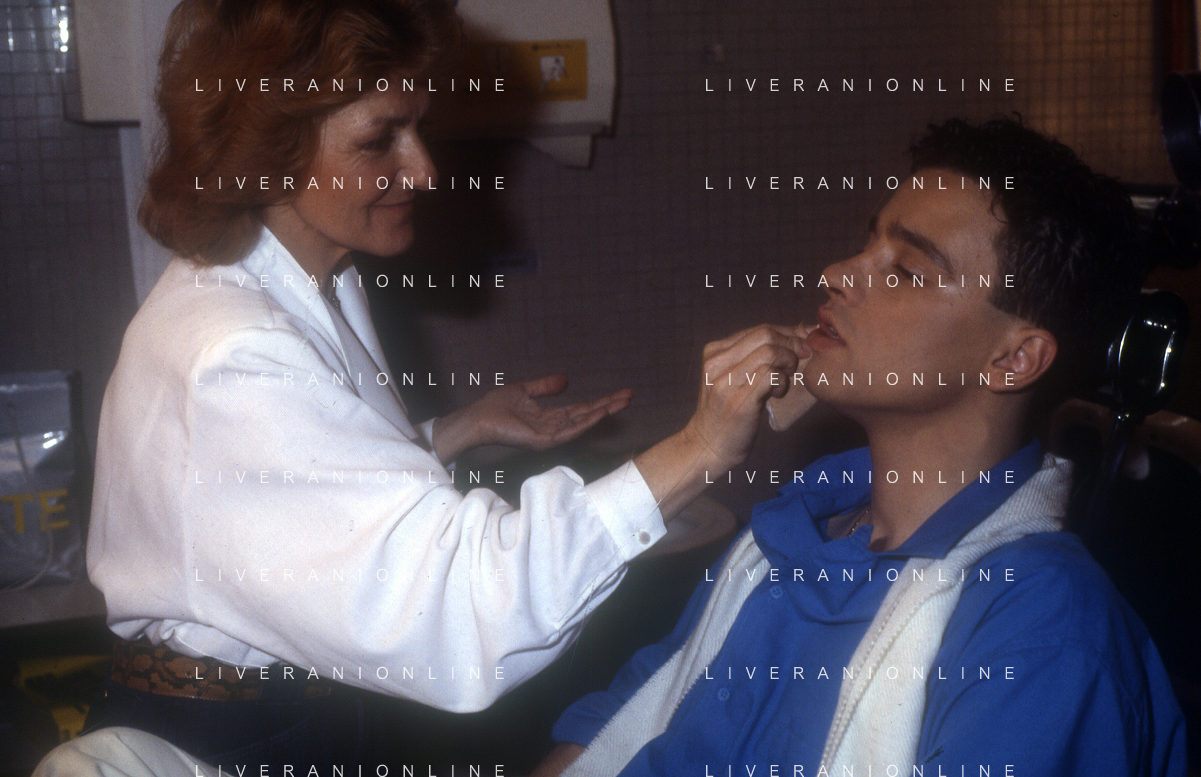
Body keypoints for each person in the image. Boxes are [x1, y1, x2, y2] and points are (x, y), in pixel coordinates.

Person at [82, 0, 808, 768]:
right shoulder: (235, 350)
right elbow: (463, 609)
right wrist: (698, 447)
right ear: (269, 148)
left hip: (282, 712)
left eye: (418, 128)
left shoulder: (302, 283)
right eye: (378, 140)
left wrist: (455, 430)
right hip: (235, 739)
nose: (423, 170)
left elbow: (285, 494)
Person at [537, 118, 1188, 776]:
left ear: (1013, 359)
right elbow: (623, 721)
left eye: (904, 268)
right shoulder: (792, 530)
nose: (836, 273)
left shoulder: (1041, 633)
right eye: (866, 242)